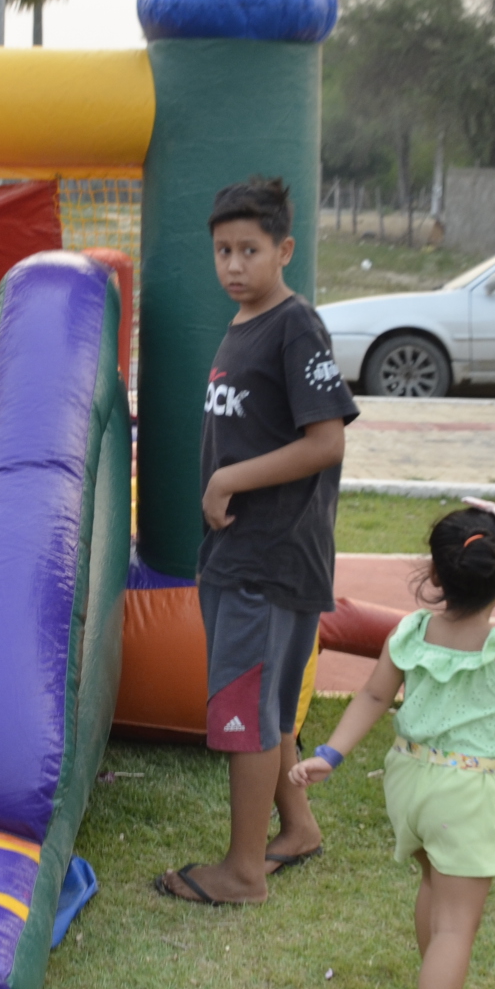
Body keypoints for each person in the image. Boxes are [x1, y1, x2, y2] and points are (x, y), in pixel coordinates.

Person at [291, 504, 495, 989]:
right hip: (461, 790)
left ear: (435, 576)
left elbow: (375, 698)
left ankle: (434, 980)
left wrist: (330, 754)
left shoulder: (410, 630)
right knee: (459, 923)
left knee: (434, 883)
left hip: (408, 778)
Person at [154, 176, 355, 907]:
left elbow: (326, 441)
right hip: (246, 557)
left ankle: (242, 874)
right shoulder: (246, 322)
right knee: (267, 705)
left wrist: (226, 482)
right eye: (222, 251)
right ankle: (296, 828)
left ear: (285, 250)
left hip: (266, 557)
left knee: (245, 713)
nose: (234, 265)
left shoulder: (294, 325)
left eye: (250, 250)